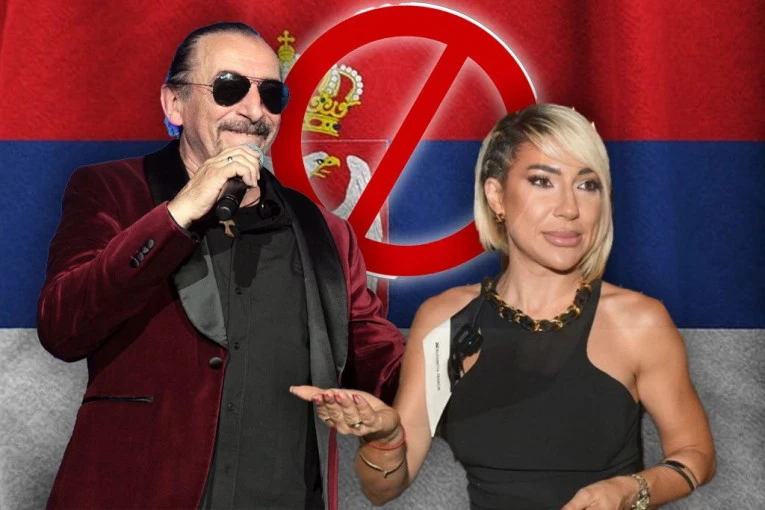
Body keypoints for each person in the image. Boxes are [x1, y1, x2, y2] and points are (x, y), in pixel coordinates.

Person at [37, 22, 404, 510]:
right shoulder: (112, 190)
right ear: (175, 104)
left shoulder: (325, 232)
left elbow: (381, 362)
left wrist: (463, 364)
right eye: (229, 88)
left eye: (271, 95)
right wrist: (177, 214)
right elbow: (64, 327)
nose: (253, 111)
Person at [292, 104, 716, 509]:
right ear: (496, 195)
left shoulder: (638, 321)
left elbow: (696, 455)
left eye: (588, 185)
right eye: (542, 181)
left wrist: (631, 490)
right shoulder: (444, 321)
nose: (570, 209)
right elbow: (382, 490)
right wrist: (385, 438)